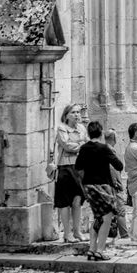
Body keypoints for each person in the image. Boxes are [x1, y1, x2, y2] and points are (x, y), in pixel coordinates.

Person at [75, 121, 124, 261]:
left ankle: (91, 249)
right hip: (103, 187)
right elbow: (119, 166)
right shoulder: (104, 148)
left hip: (89, 187)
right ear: (101, 132)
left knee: (97, 217)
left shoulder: (84, 148)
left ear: (89, 133)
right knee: (107, 218)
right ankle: (100, 250)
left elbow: (78, 167)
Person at [54, 104, 88, 242]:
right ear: (66, 115)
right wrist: (80, 145)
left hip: (79, 167)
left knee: (78, 200)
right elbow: (67, 145)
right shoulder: (62, 128)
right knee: (64, 202)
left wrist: (78, 145)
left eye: (78, 112)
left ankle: (77, 231)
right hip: (65, 167)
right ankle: (67, 234)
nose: (77, 115)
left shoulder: (81, 128)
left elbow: (85, 144)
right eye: (73, 112)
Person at [104, 129, 129, 239]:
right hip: (114, 185)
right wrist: (117, 183)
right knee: (120, 210)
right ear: (114, 139)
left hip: (106, 184)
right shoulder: (110, 150)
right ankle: (124, 234)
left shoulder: (103, 149)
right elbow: (113, 169)